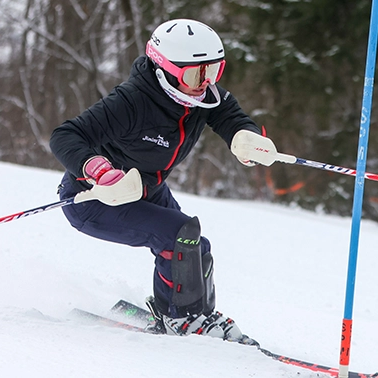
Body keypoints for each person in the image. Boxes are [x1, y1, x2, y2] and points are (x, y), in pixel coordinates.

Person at [50, 19, 280, 343]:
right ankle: (183, 320)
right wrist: (99, 171)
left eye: (213, 71)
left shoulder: (203, 98)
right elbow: (65, 136)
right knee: (178, 237)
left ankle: (199, 318)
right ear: (165, 69)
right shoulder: (132, 102)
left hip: (146, 189)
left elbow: (231, 117)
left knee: (196, 247)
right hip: (95, 197)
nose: (205, 83)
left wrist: (246, 137)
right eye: (194, 74)